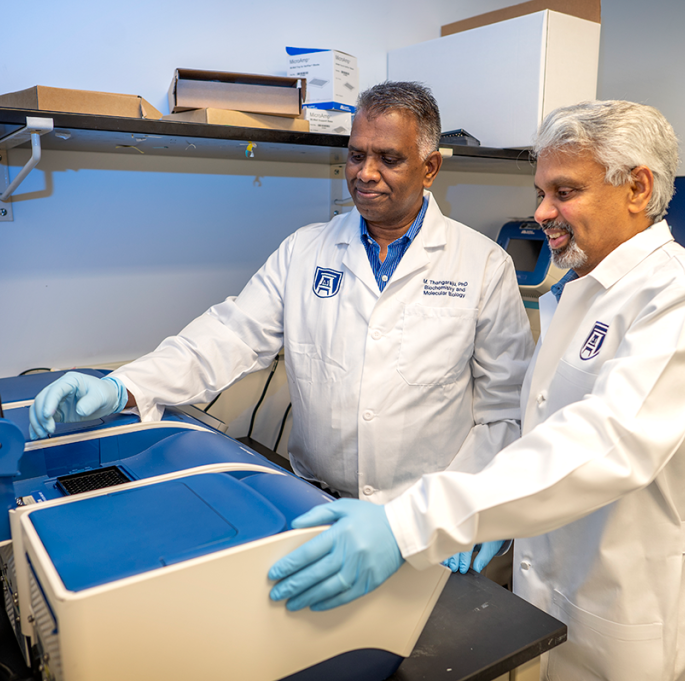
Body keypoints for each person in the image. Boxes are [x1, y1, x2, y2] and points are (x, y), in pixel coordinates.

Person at [268, 99, 685, 681]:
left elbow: (606, 443)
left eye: (563, 192)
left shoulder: (684, 296)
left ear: (638, 188)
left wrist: (416, 520)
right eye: (540, 192)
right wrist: (494, 520)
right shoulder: (579, 291)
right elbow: (533, 428)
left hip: (639, 610)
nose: (541, 212)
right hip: (553, 589)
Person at [28, 82, 533, 572]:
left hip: (425, 526)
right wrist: (124, 386)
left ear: (430, 168)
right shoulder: (305, 250)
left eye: (389, 158)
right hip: (313, 508)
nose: (366, 173)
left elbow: (504, 412)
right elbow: (228, 335)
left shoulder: (482, 265)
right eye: (357, 155)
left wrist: (464, 511)